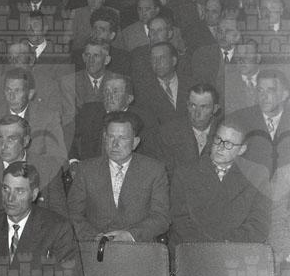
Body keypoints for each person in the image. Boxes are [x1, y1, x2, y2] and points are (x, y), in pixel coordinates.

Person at [67, 111, 170, 241]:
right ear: (104, 138)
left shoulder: (154, 170)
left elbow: (161, 217)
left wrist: (130, 235)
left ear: (135, 142)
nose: (115, 144)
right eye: (111, 137)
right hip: (95, 246)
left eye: (122, 138)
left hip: (138, 247)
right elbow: (73, 214)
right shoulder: (86, 170)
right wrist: (95, 237)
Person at [0, 115, 68, 232]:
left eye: (11, 139)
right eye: (0, 138)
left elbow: (59, 217)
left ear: (25, 141)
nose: (3, 146)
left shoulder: (48, 168)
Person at [170, 120, 270, 243]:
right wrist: (209, 246)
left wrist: (225, 244)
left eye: (228, 144)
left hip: (236, 248)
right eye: (218, 139)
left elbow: (259, 224)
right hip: (193, 246)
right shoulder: (185, 173)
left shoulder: (256, 175)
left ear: (242, 149)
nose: (220, 147)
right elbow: (180, 220)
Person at [142, 84, 221, 180]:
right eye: (193, 106)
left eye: (204, 107)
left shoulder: (225, 134)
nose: (197, 113)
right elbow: (162, 174)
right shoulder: (167, 133)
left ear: (215, 109)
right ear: (187, 105)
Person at [228, 69, 290, 176]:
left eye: (270, 90)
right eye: (260, 90)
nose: (264, 96)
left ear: (285, 95)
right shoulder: (240, 119)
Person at [133, 41, 194, 125]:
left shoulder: (191, 84)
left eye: (162, 58)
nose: (157, 63)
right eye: (153, 59)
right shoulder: (143, 90)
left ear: (174, 61)